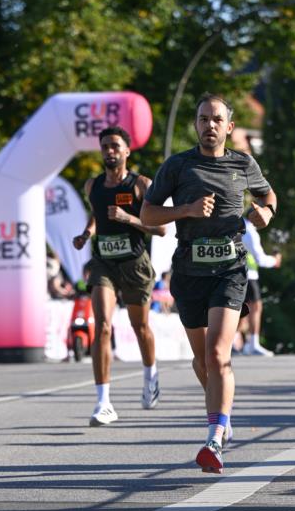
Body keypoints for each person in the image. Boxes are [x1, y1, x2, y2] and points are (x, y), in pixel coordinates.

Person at [140, 93, 277, 473]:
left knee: (218, 354)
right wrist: (185, 209)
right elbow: (148, 214)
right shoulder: (178, 165)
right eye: (203, 119)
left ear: (229, 127)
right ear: (196, 124)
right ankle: (222, 413)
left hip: (230, 268)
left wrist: (266, 213)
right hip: (189, 271)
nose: (209, 125)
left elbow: (268, 196)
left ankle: (214, 438)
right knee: (202, 361)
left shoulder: (243, 163)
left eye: (217, 119)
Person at [73, 126, 165, 426]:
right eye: (105, 146)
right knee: (102, 326)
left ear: (127, 150)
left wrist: (129, 218)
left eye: (115, 146)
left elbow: (161, 228)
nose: (109, 151)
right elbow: (97, 214)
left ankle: (150, 375)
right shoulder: (93, 185)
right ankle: (103, 403)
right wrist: (87, 233)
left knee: (141, 327)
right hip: (104, 264)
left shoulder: (141, 185)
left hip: (135, 264)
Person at [240, 222, 281, 355]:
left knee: (241, 311)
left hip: (238, 274)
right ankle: (253, 345)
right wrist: (275, 261)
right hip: (248, 275)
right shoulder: (249, 229)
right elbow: (260, 259)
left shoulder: (235, 223)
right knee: (255, 308)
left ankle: (240, 345)